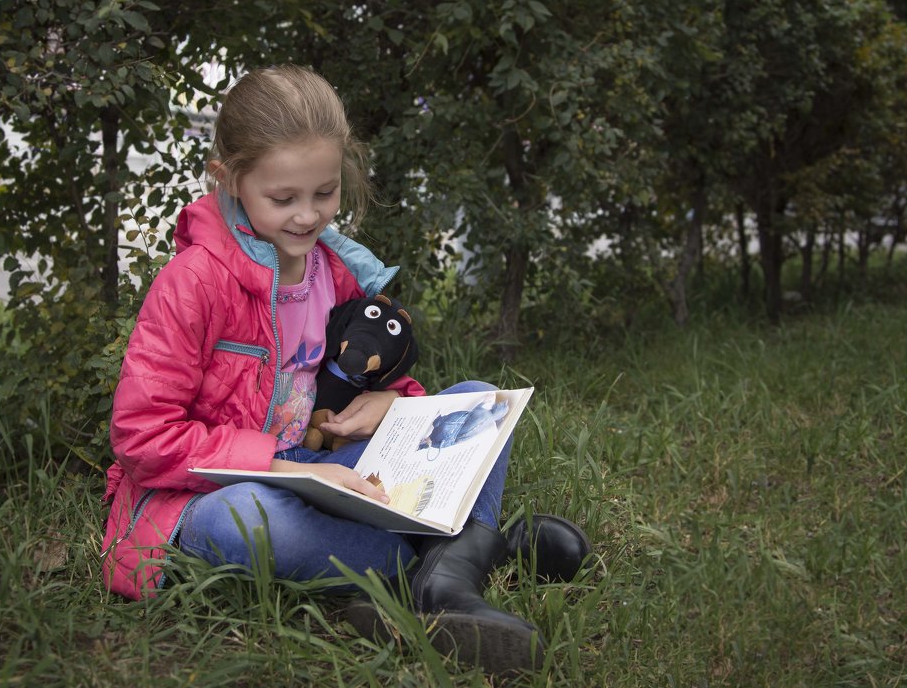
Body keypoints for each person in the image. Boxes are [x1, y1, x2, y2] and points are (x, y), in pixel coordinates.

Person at [98, 64, 592, 675]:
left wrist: (394, 404)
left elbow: (373, 376)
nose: (308, 216)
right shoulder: (195, 282)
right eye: (283, 199)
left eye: (324, 193)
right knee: (249, 521)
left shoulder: (336, 271)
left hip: (326, 465)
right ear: (228, 179)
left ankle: (432, 579)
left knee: (479, 398)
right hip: (212, 491)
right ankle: (458, 562)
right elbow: (142, 437)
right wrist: (285, 469)